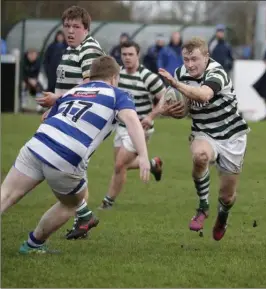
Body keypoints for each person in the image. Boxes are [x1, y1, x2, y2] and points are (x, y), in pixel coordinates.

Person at [0, 55, 151, 254]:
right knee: (73, 202)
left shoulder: (76, 90)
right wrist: (144, 156)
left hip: (37, 143)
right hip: (66, 156)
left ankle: (54, 232)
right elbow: (132, 122)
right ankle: (33, 245)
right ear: (114, 77)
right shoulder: (118, 94)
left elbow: (47, 117)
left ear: (92, 75)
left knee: (6, 195)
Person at [158, 37, 250, 241]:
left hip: (231, 136)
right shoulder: (181, 74)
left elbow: (203, 96)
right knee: (200, 156)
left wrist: (175, 84)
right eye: (186, 59)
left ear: (206, 57)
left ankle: (223, 216)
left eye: (194, 59)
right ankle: (203, 206)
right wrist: (163, 111)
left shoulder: (217, 73)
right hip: (204, 132)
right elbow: (173, 102)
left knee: (227, 196)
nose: (189, 65)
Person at [35, 5, 105, 239]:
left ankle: (83, 215)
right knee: (67, 167)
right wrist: (55, 108)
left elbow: (90, 85)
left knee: (55, 163)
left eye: (76, 26)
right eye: (67, 26)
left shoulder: (89, 49)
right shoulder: (70, 49)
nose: (70, 31)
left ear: (86, 28)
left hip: (85, 120)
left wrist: (58, 99)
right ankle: (83, 218)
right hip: (68, 117)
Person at [99, 40, 166, 210]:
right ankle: (153, 164)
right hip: (120, 127)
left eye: (131, 54)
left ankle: (108, 202)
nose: (127, 58)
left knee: (120, 164)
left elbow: (166, 98)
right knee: (121, 165)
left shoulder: (148, 77)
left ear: (138, 55)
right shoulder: (117, 74)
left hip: (140, 129)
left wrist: (151, 116)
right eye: (124, 54)